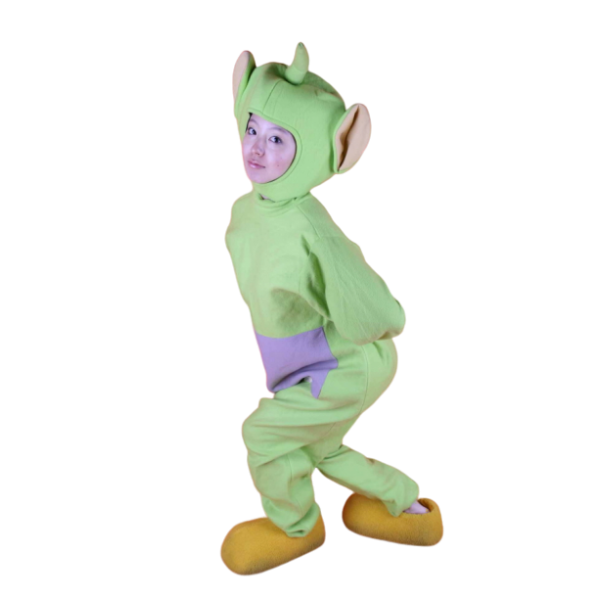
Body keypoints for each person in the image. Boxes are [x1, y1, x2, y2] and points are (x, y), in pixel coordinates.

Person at [223, 41, 443, 577]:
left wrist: (370, 330)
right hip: (303, 363)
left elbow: (375, 305)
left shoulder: (310, 230)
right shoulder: (250, 207)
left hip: (346, 362)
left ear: (335, 149)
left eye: (279, 138)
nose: (256, 149)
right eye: (252, 128)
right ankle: (409, 506)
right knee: (317, 450)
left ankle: (297, 527)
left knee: (265, 435)